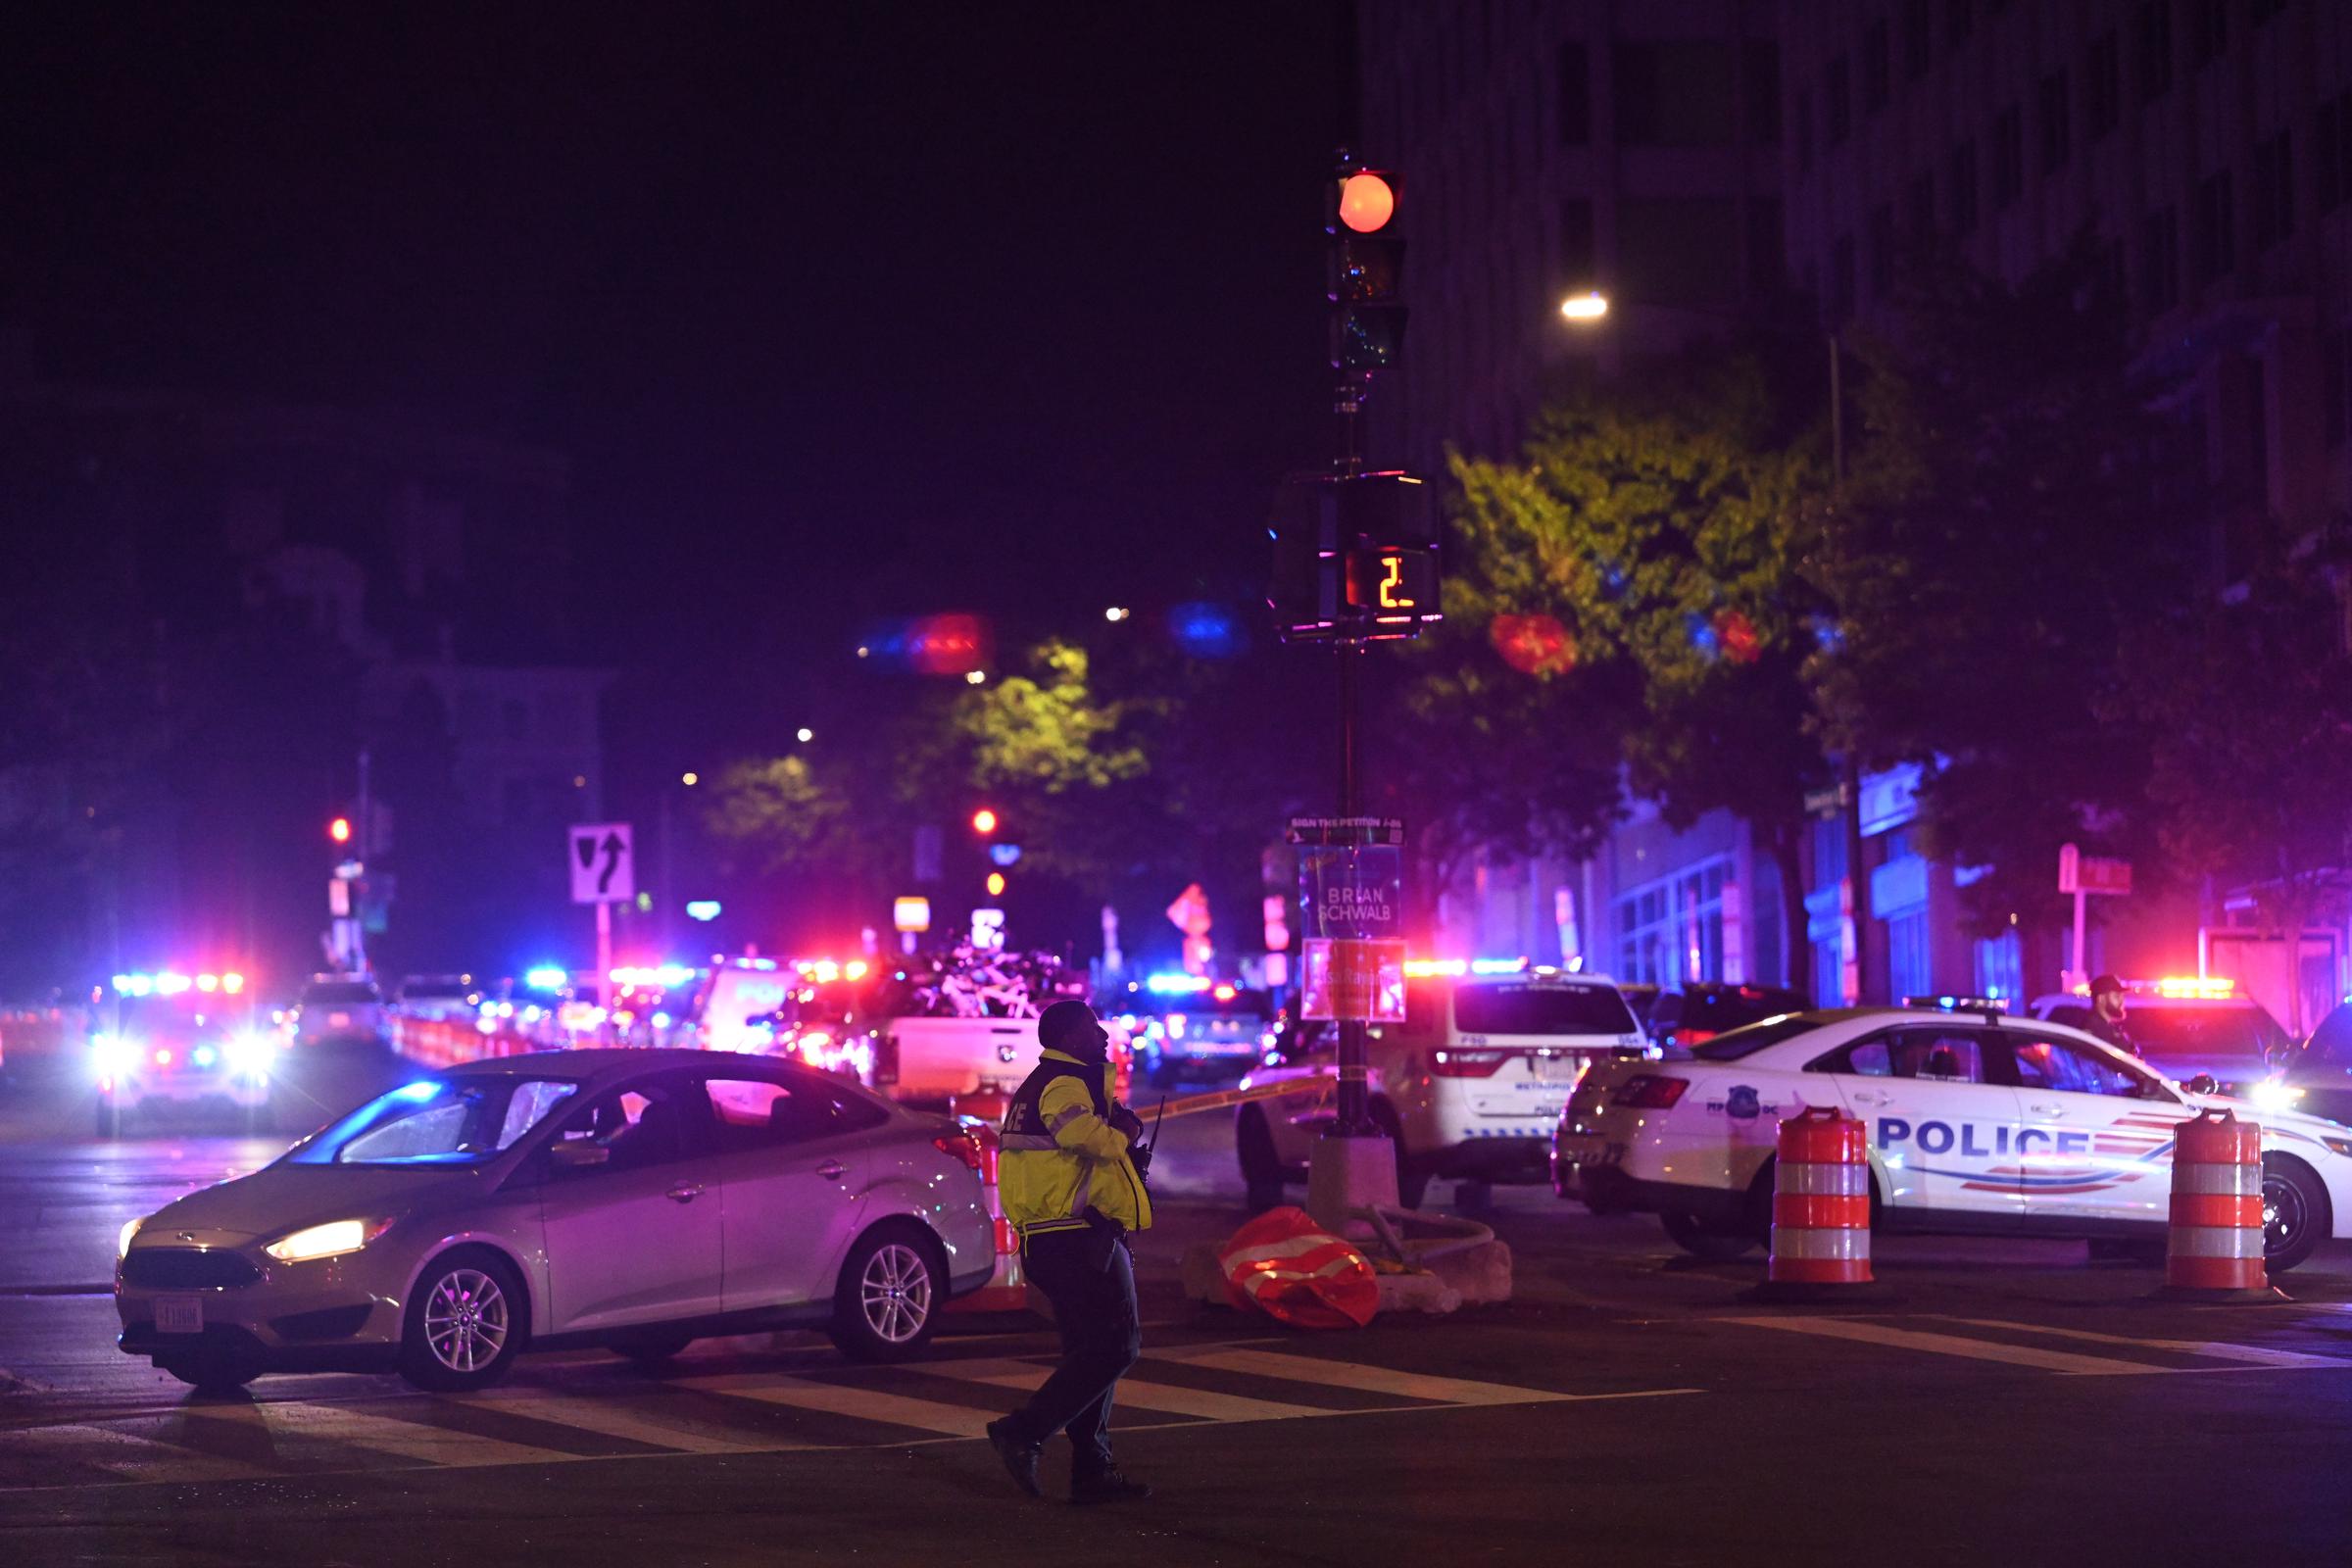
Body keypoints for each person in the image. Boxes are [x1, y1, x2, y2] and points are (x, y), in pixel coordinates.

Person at [984, 999, 1154, 1504]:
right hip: (1077, 1237)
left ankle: (1091, 1471)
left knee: (1090, 1353)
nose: (1103, 1036)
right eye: (1093, 1028)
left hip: (1060, 1239)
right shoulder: (1063, 1083)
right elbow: (1086, 1139)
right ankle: (1025, 1431)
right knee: (1116, 1347)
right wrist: (1123, 1131)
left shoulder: (1044, 1085)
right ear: (1071, 1037)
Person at [2083, 974, 2137, 1054]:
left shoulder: (2110, 1027)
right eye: (2116, 996)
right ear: (2101, 999)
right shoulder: (2093, 1029)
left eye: (2123, 996)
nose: (2122, 1001)